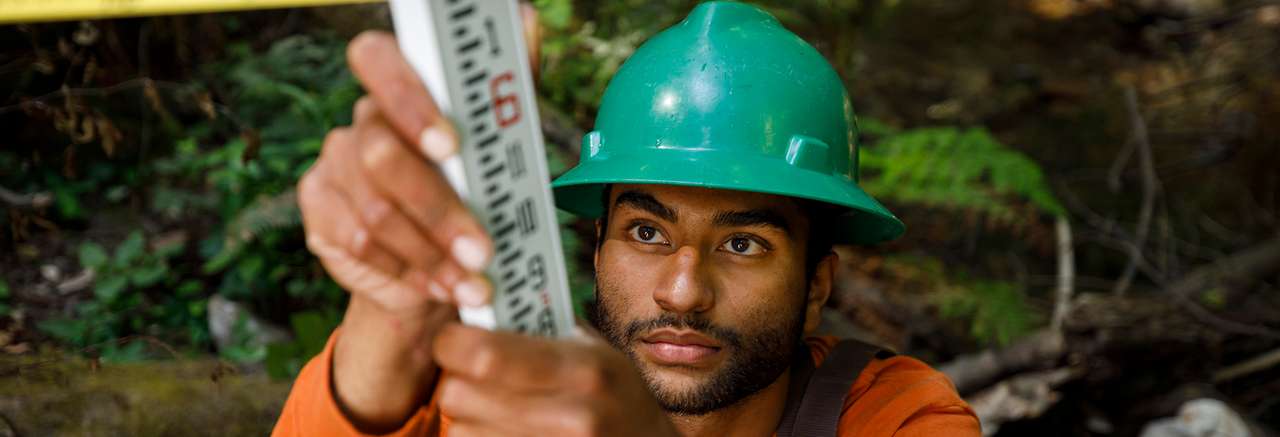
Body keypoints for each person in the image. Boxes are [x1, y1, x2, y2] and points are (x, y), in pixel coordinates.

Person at [272, 2, 980, 436]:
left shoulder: (894, 417)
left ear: (817, 284)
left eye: (742, 242)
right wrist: (388, 306)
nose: (681, 290)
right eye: (647, 232)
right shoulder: (500, 403)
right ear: (598, 247)